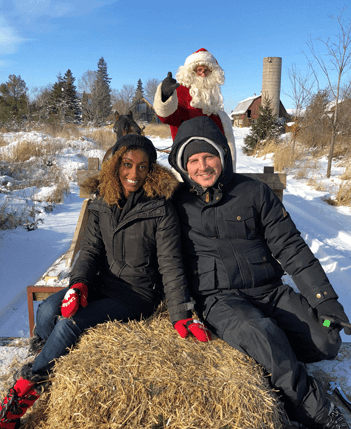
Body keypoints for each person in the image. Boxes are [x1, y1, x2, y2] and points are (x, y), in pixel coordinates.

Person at [0, 134, 210, 429]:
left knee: (71, 322)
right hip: (102, 282)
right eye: (127, 164)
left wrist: (181, 314)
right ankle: (43, 357)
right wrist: (79, 283)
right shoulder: (102, 202)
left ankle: (24, 392)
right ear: (115, 165)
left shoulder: (160, 209)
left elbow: (170, 263)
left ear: (152, 169)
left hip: (136, 293)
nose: (134, 174)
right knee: (48, 308)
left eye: (142, 166)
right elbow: (90, 250)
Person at [167, 115, 351, 429]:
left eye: (209, 156)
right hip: (220, 299)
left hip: (269, 290)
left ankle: (278, 364)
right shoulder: (176, 205)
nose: (203, 166)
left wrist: (325, 302)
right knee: (265, 335)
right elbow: (167, 260)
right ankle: (313, 408)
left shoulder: (253, 193)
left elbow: (292, 248)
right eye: (194, 160)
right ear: (184, 166)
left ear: (222, 155)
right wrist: (180, 308)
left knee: (326, 342)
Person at [153, 48, 236, 168]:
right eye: (199, 70)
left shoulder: (213, 98)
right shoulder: (180, 93)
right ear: (191, 72)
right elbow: (167, 116)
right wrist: (166, 96)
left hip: (217, 164)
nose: (202, 74)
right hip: (190, 165)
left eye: (206, 71)